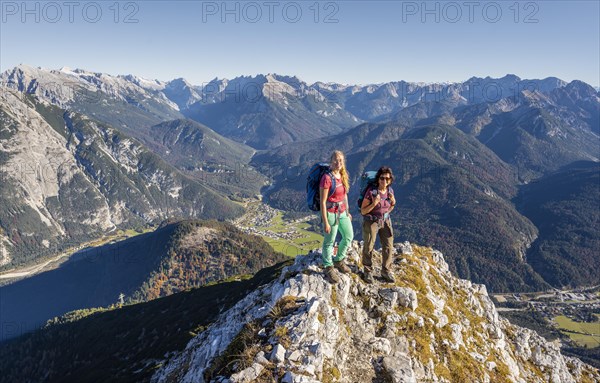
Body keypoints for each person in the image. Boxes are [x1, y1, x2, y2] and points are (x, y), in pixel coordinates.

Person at [320, 150, 354, 283]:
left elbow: (344, 195)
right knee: (330, 241)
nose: (338, 162)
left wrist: (348, 211)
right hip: (331, 213)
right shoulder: (327, 178)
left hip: (342, 211)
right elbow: (323, 202)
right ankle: (328, 266)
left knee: (348, 236)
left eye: (340, 160)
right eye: (335, 160)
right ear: (331, 161)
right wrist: (325, 222)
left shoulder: (342, 175)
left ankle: (339, 259)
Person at [360, 166, 396, 283]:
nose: (384, 181)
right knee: (369, 245)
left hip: (385, 220)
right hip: (371, 221)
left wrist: (392, 203)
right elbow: (363, 211)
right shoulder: (371, 192)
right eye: (382, 178)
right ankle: (367, 271)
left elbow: (391, 206)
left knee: (388, 246)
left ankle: (386, 271)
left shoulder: (390, 191)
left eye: (387, 179)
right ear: (378, 179)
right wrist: (374, 203)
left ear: (390, 180)